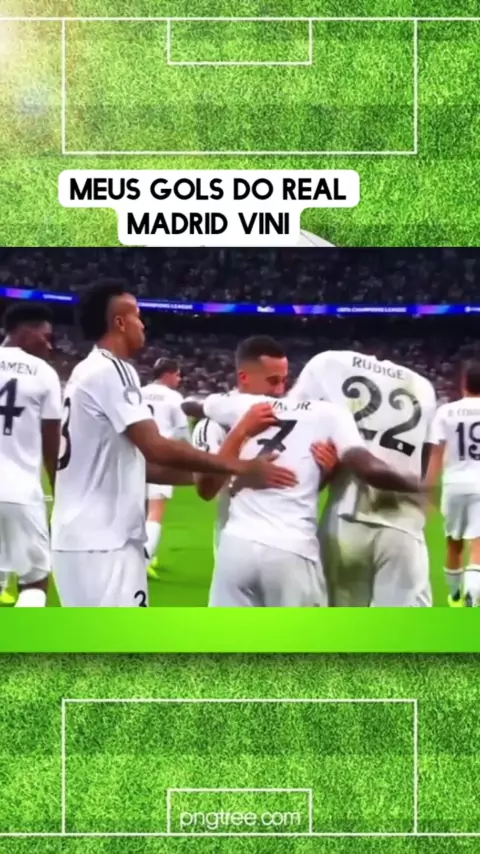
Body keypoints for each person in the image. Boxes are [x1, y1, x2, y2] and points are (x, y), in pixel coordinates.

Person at [50, 279, 297, 607]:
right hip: (105, 541)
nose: (143, 324)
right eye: (137, 315)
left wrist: (207, 475)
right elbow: (156, 447)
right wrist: (240, 465)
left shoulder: (86, 370)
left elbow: (143, 464)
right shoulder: (113, 370)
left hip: (76, 537)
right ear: (120, 322)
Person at [203, 390, 425, 608]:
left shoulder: (249, 404)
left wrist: (240, 429)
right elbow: (366, 466)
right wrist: (419, 485)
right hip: (293, 550)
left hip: (236, 547)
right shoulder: (332, 414)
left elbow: (196, 404)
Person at [290, 349, 437, 607]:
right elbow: (424, 465)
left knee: (342, 626)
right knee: (404, 629)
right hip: (403, 521)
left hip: (345, 519)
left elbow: (292, 426)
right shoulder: (423, 387)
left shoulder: (327, 363)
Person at [191, 336, 289, 560]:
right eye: (273, 381)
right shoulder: (213, 424)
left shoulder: (292, 416)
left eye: (284, 381)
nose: (280, 390)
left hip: (290, 545)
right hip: (237, 545)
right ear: (244, 377)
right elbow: (206, 489)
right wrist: (241, 435)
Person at [0, 302, 62, 607]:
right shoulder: (44, 373)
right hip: (20, 493)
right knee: (35, 580)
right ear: (24, 332)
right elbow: (52, 443)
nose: (49, 346)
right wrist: (60, 496)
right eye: (45, 336)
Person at [427, 361, 480, 606]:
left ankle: (456, 596)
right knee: (478, 545)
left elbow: (436, 452)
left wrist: (429, 488)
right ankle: (473, 598)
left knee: (454, 543)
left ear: (463, 383)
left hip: (454, 484)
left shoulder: (446, 412)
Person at [142, 358, 190, 577]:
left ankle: (139, 555)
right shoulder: (173, 398)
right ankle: (142, 563)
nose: (179, 379)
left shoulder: (138, 392)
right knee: (155, 511)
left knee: (137, 511)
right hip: (160, 458)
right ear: (167, 374)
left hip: (135, 457)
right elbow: (182, 433)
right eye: (178, 374)